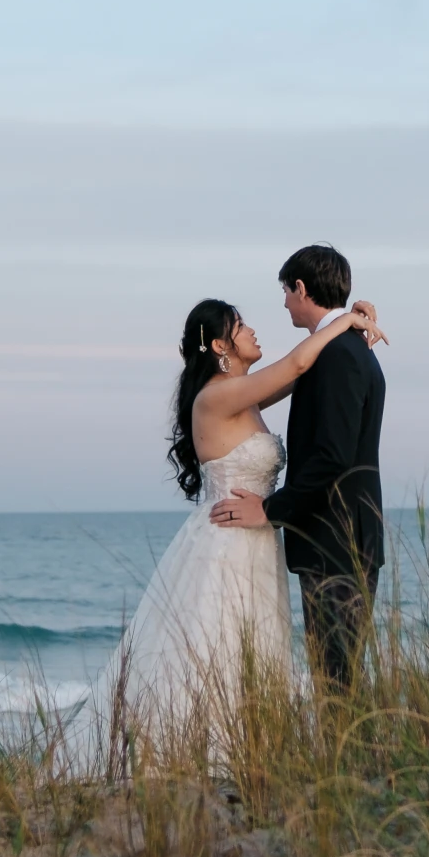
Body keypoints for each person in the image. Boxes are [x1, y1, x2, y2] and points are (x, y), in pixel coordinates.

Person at [67, 290, 384, 770]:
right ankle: (195, 755)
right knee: (216, 644)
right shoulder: (216, 397)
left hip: (257, 542)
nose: (252, 330)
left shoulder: (246, 394)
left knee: (249, 646)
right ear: (219, 346)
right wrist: (346, 321)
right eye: (239, 326)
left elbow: (314, 372)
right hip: (227, 543)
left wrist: (353, 331)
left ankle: (249, 754)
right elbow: (299, 365)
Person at [210, 244, 385, 689]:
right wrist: (353, 316)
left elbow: (332, 457)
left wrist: (269, 511)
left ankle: (351, 762)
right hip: (340, 539)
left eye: (286, 292)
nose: (284, 302)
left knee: (337, 682)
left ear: (301, 288)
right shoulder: (340, 349)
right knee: (339, 678)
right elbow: (290, 371)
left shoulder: (339, 355)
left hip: (336, 541)